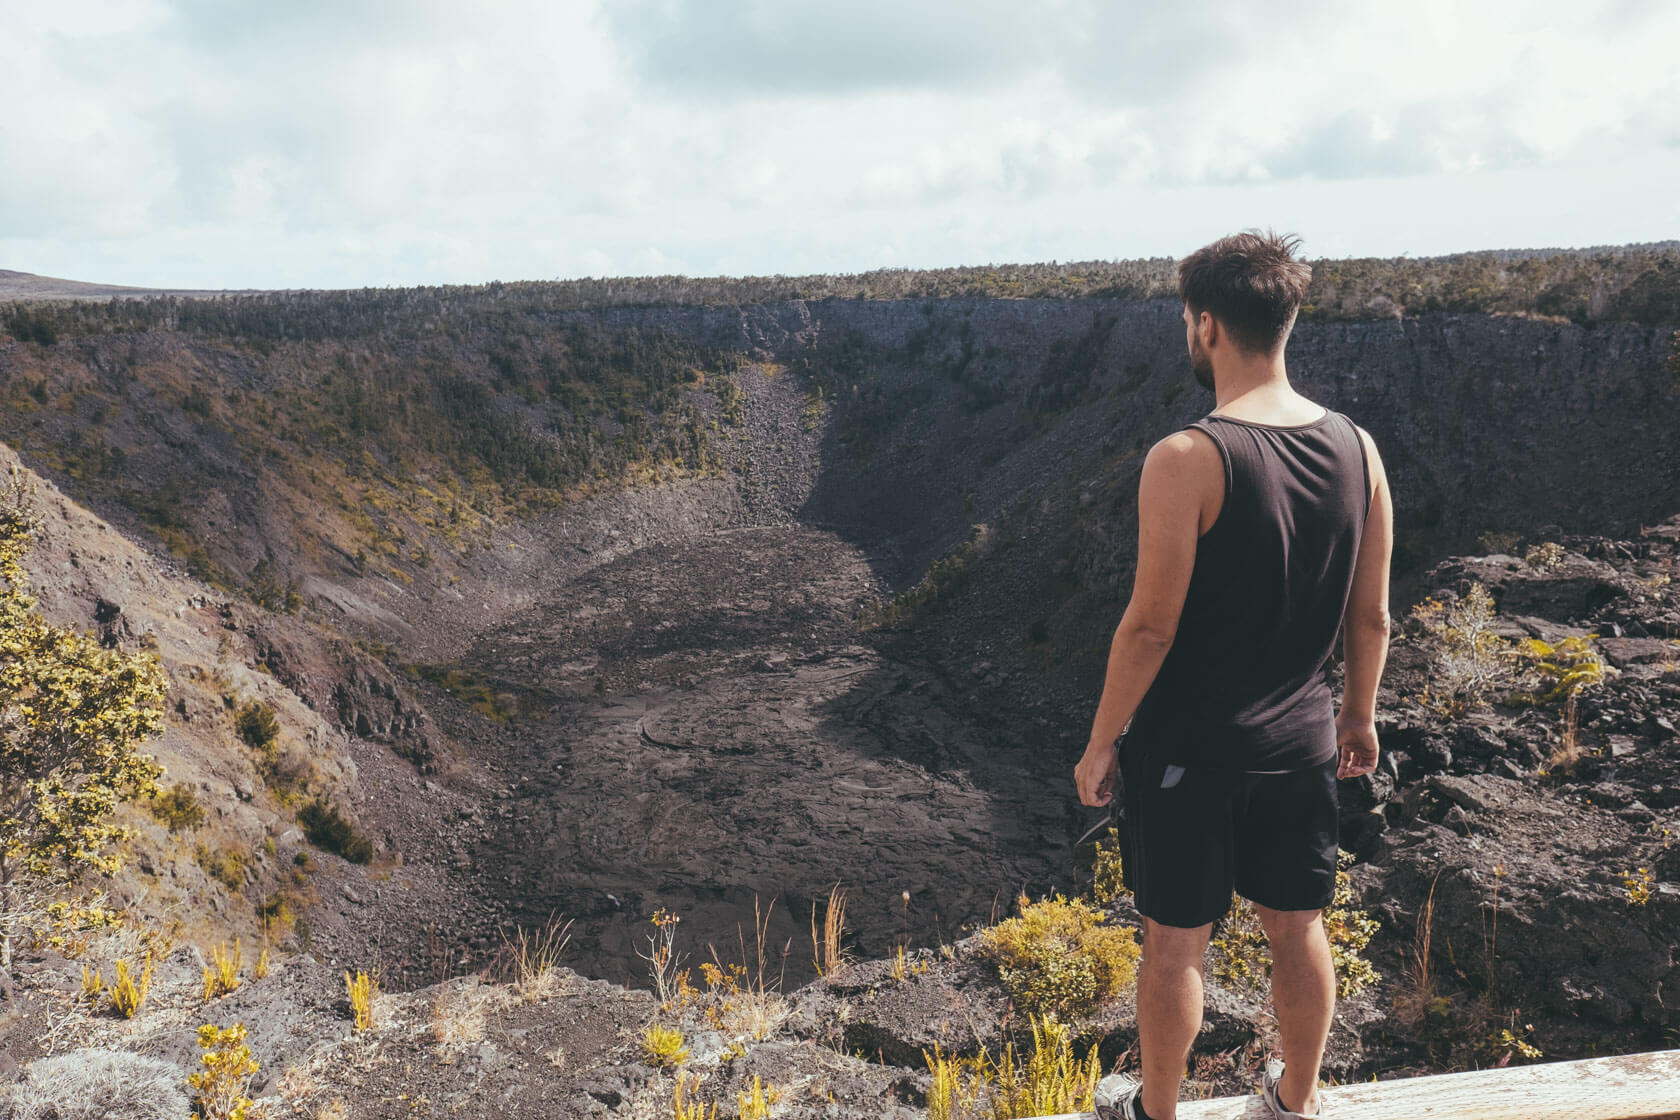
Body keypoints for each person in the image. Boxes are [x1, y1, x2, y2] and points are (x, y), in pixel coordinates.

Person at [1072, 229, 1393, 1120]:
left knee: (1175, 948)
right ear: (1285, 321)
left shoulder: (1187, 457)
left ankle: (1156, 1111)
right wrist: (1358, 719)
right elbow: (1372, 615)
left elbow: (1147, 628)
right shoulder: (1360, 450)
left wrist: (1102, 743)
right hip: (1304, 743)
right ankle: (1295, 1102)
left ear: (1205, 325)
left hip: (1190, 750)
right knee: (1297, 929)